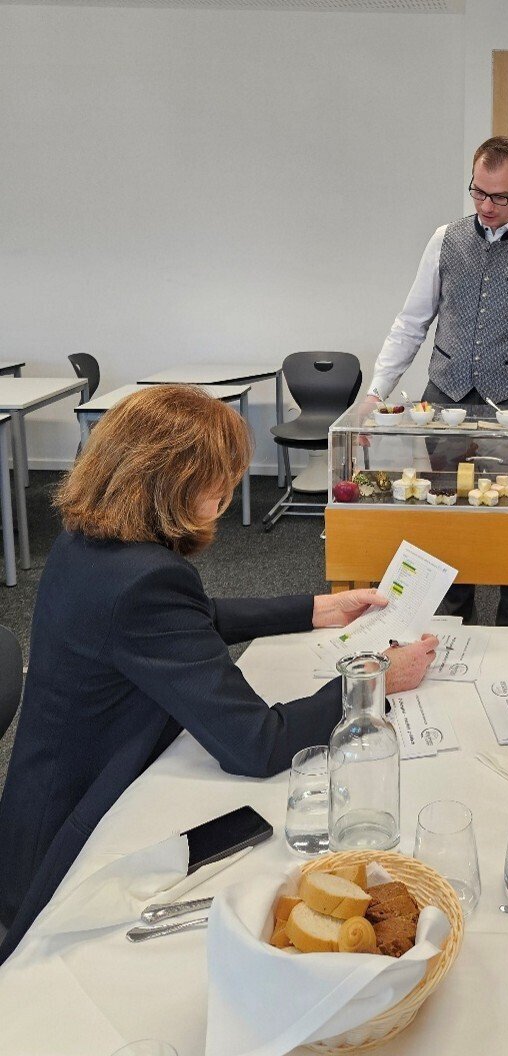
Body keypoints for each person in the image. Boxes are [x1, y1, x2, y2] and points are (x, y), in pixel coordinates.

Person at [0, 385, 438, 963]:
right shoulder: (143, 580)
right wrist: (373, 680)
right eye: (221, 483)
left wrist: (316, 608)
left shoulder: (88, 543)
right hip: (76, 831)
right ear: (174, 485)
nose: (228, 496)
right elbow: (257, 745)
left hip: (40, 798)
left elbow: (183, 621)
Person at [356, 135, 508, 626]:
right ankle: (452, 627)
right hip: (443, 401)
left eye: (499, 196)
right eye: (478, 192)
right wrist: (376, 393)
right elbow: (411, 323)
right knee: (446, 519)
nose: (486, 206)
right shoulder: (445, 240)